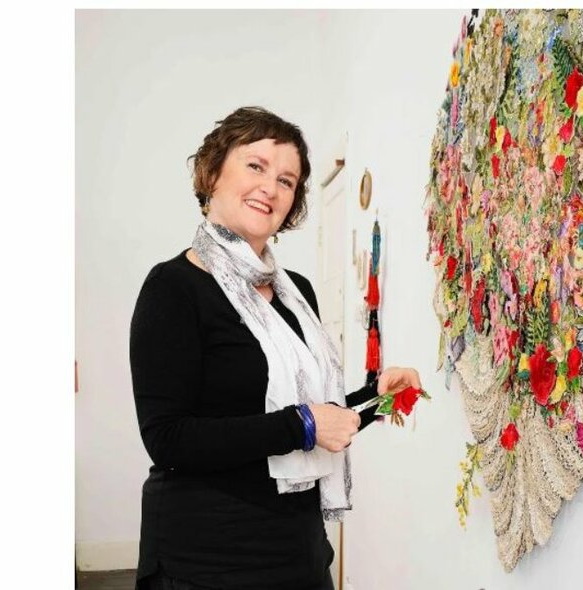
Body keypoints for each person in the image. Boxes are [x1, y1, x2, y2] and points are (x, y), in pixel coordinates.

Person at [129, 106, 421, 590]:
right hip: (207, 558)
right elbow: (169, 438)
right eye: (256, 166)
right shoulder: (173, 287)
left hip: (296, 548)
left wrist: (377, 397)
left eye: (287, 180)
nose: (271, 187)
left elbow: (310, 417)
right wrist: (303, 424)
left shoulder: (296, 291)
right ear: (213, 172)